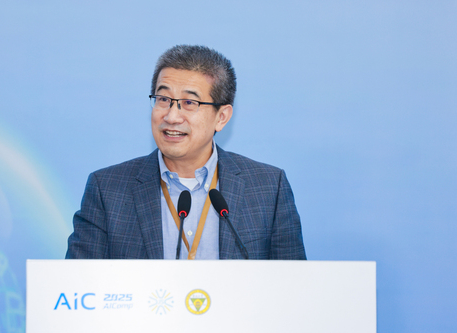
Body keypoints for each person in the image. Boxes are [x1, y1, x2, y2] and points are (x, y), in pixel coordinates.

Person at [66, 45, 306, 260]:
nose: (171, 116)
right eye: (163, 99)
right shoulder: (107, 190)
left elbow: (294, 286)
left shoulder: (268, 188)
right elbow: (79, 284)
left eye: (190, 103)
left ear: (221, 117)